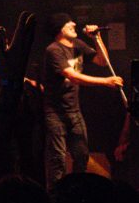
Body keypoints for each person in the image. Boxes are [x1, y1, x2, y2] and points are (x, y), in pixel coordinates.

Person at [41, 12, 123, 191]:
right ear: (59, 29)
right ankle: (55, 195)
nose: (73, 24)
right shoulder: (53, 50)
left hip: (74, 110)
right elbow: (72, 76)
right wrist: (106, 81)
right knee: (58, 159)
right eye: (68, 23)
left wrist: (97, 38)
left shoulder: (77, 45)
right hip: (55, 113)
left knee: (81, 155)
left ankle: (77, 192)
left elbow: (103, 61)